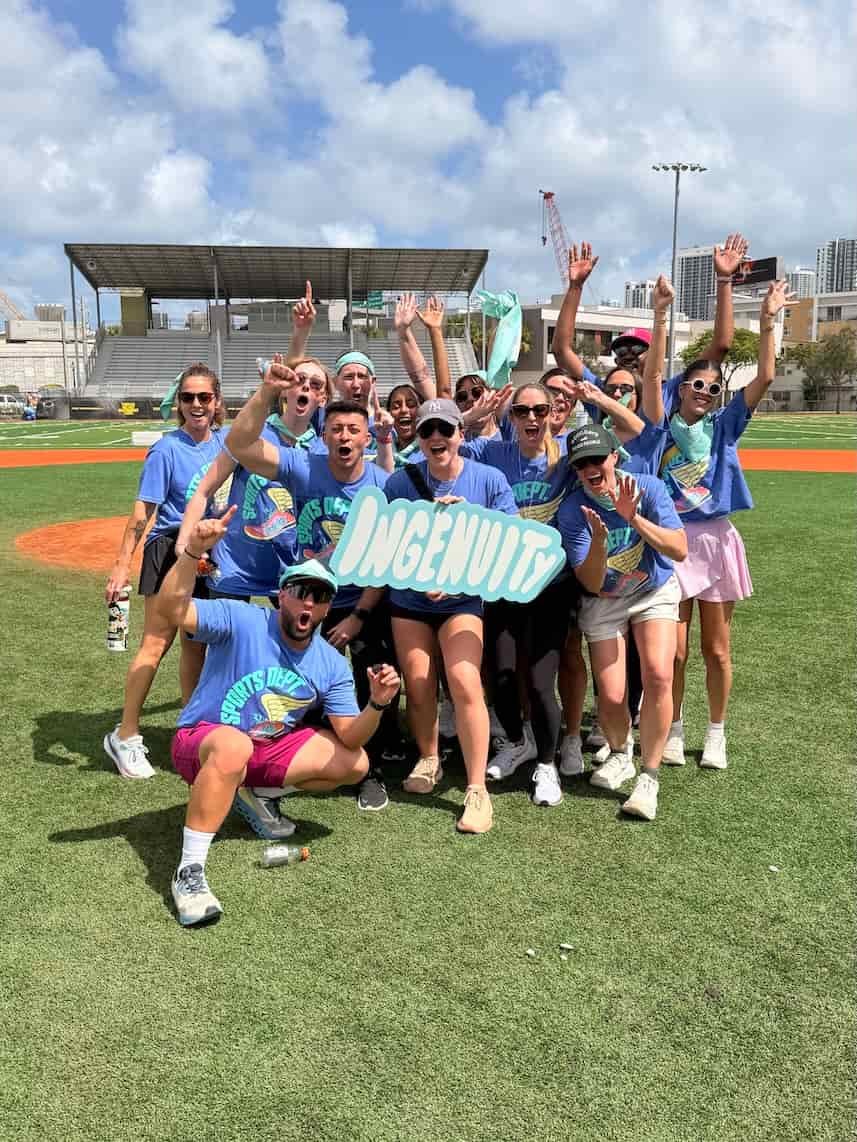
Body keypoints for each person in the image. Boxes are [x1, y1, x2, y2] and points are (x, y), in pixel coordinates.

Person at [157, 519, 400, 927]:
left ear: (327, 607)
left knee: (354, 764)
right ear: (281, 596)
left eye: (320, 596)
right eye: (301, 592)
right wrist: (193, 553)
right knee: (234, 746)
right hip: (201, 742)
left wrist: (376, 704)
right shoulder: (241, 619)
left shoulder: (329, 661)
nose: (309, 603)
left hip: (262, 749)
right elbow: (171, 610)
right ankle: (189, 873)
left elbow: (351, 737)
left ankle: (257, 793)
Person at [460, 378, 644, 805]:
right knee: (503, 675)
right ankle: (518, 742)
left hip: (551, 587)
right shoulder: (492, 453)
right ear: (510, 417)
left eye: (539, 411)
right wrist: (471, 418)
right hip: (502, 583)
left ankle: (546, 763)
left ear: (550, 415)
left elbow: (634, 432)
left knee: (543, 682)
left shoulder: (566, 456)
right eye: (522, 411)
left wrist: (596, 400)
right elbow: (436, 452)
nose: (531, 419)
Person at [224, 365, 398, 811]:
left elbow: (388, 558)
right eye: (336, 428)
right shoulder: (305, 467)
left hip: (363, 598)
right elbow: (240, 444)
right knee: (291, 681)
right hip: (310, 596)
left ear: (366, 438)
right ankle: (282, 762)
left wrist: (359, 615)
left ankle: (371, 769)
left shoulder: (382, 485)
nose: (344, 436)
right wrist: (266, 393)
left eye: (353, 430)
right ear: (325, 436)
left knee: (373, 677)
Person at [639, 280, 792, 770]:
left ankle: (717, 731)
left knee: (717, 650)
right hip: (674, 541)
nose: (704, 393)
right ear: (680, 390)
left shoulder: (724, 425)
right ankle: (676, 726)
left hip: (716, 540)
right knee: (677, 651)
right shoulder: (662, 424)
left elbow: (766, 376)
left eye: (712, 388)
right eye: (696, 386)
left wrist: (768, 321)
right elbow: (651, 373)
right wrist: (661, 315)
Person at [382, 398, 519, 834]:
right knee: (418, 683)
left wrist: (471, 520)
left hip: (463, 600)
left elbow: (511, 539)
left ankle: (477, 789)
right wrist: (417, 578)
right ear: (417, 438)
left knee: (463, 682)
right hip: (410, 599)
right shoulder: (400, 483)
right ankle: (429, 757)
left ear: (461, 433)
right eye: (427, 431)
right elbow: (388, 544)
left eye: (444, 429)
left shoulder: (488, 479)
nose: (436, 437)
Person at [557, 423, 687, 821]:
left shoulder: (647, 488)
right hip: (605, 599)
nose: (590, 470)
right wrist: (597, 543)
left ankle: (649, 778)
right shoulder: (573, 508)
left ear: (614, 456)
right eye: (581, 465)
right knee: (612, 696)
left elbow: (679, 549)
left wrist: (634, 519)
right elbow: (592, 582)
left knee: (658, 675)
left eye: (597, 458)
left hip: (653, 589)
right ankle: (620, 753)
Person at [103, 364, 226, 779]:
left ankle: (190, 731)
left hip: (212, 552)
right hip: (170, 551)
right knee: (156, 643)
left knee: (197, 645)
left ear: (217, 402)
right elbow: (145, 510)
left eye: (203, 397)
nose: (196, 404)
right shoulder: (165, 449)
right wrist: (122, 564)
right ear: (178, 404)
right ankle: (126, 733)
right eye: (188, 397)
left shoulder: (226, 444)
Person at [176, 354, 332, 605]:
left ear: (323, 398)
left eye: (315, 385)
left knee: (288, 644)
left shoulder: (322, 451)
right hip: (234, 566)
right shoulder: (251, 434)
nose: (306, 387)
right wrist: (184, 544)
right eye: (300, 379)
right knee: (223, 641)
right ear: (286, 388)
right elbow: (203, 491)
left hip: (290, 571)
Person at [553, 236, 749, 386]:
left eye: (638, 349)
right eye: (621, 350)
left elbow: (721, 346)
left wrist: (724, 279)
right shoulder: (604, 392)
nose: (628, 355)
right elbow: (562, 351)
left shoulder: (670, 392)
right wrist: (576, 287)